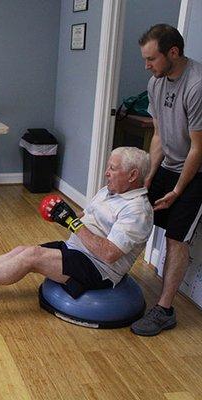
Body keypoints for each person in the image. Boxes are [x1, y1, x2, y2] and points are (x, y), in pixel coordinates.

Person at [0, 147, 153, 306]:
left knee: (31, 258)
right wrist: (65, 215)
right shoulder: (110, 191)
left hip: (98, 269)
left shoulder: (137, 211)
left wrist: (72, 223)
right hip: (78, 249)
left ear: (133, 175)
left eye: (112, 169)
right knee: (22, 250)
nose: (106, 173)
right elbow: (87, 216)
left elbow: (110, 253)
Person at [130, 24, 202, 336]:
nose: (147, 66)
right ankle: (107, 270)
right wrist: (148, 178)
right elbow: (158, 135)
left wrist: (177, 189)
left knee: (176, 237)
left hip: (197, 171)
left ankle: (164, 309)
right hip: (170, 163)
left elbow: (199, 148)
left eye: (151, 59)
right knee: (134, 207)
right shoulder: (156, 83)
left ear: (173, 52)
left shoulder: (197, 85)